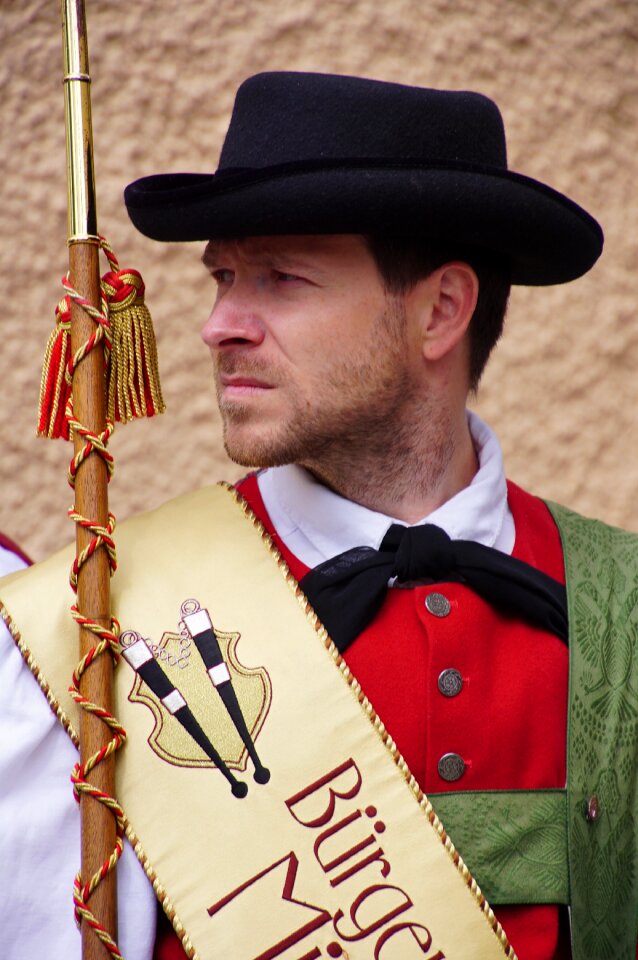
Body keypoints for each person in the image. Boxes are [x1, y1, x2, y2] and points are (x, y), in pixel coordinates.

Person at [1, 72, 636, 960]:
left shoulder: (627, 613)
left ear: (442, 309)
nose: (219, 324)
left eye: (280, 278)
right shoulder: (101, 632)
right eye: (224, 276)